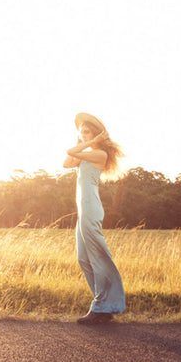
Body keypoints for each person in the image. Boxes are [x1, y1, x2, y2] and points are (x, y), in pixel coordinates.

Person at [63, 112, 125, 325]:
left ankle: (103, 306)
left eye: (86, 132)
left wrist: (90, 142)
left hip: (91, 207)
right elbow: (66, 162)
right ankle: (104, 303)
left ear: (96, 135)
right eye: (80, 133)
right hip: (83, 210)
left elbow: (70, 152)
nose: (82, 136)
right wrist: (84, 141)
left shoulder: (99, 154)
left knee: (98, 255)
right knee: (83, 258)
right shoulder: (86, 153)